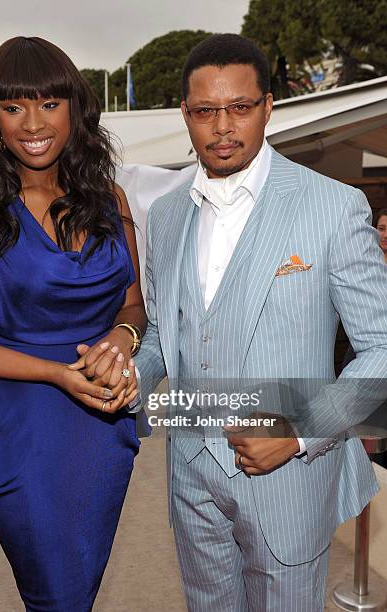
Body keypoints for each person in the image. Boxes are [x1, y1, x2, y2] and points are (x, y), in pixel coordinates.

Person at [131, 34, 387, 611]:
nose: (223, 126)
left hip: (289, 478)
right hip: (190, 469)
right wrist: (133, 374)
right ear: (186, 116)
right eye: (205, 112)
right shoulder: (167, 215)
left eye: (240, 108)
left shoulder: (331, 204)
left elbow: (382, 348)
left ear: (268, 107)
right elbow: (165, 334)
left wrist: (297, 432)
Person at [0, 37, 146, 611]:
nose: (33, 122)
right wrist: (54, 373)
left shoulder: (108, 199)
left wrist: (121, 340)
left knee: (82, 587)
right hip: (24, 428)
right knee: (57, 594)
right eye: (13, 106)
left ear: (76, 109)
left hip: (103, 428)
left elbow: (132, 307)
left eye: (50, 104)